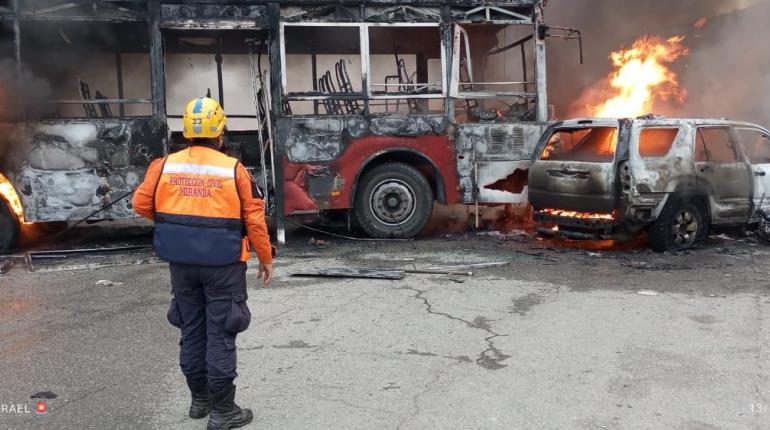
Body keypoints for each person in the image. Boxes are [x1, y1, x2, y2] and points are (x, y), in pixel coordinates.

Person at [132, 97, 274, 430]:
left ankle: (200, 401)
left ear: (186, 131)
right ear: (220, 133)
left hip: (181, 263)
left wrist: (174, 223)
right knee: (222, 331)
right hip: (224, 264)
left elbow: (141, 204)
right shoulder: (233, 169)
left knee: (192, 330)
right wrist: (265, 258)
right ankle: (224, 412)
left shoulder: (164, 165)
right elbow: (254, 219)